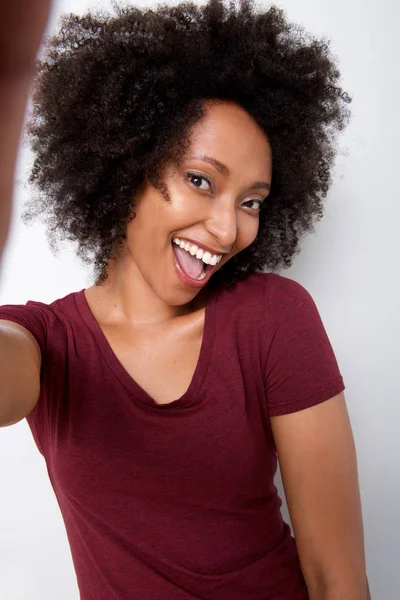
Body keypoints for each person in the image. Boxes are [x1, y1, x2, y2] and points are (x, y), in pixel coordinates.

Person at [0, 0, 371, 598]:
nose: (229, 232)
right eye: (201, 180)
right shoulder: (46, 338)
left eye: (251, 201)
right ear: (125, 164)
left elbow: (339, 579)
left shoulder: (272, 317)